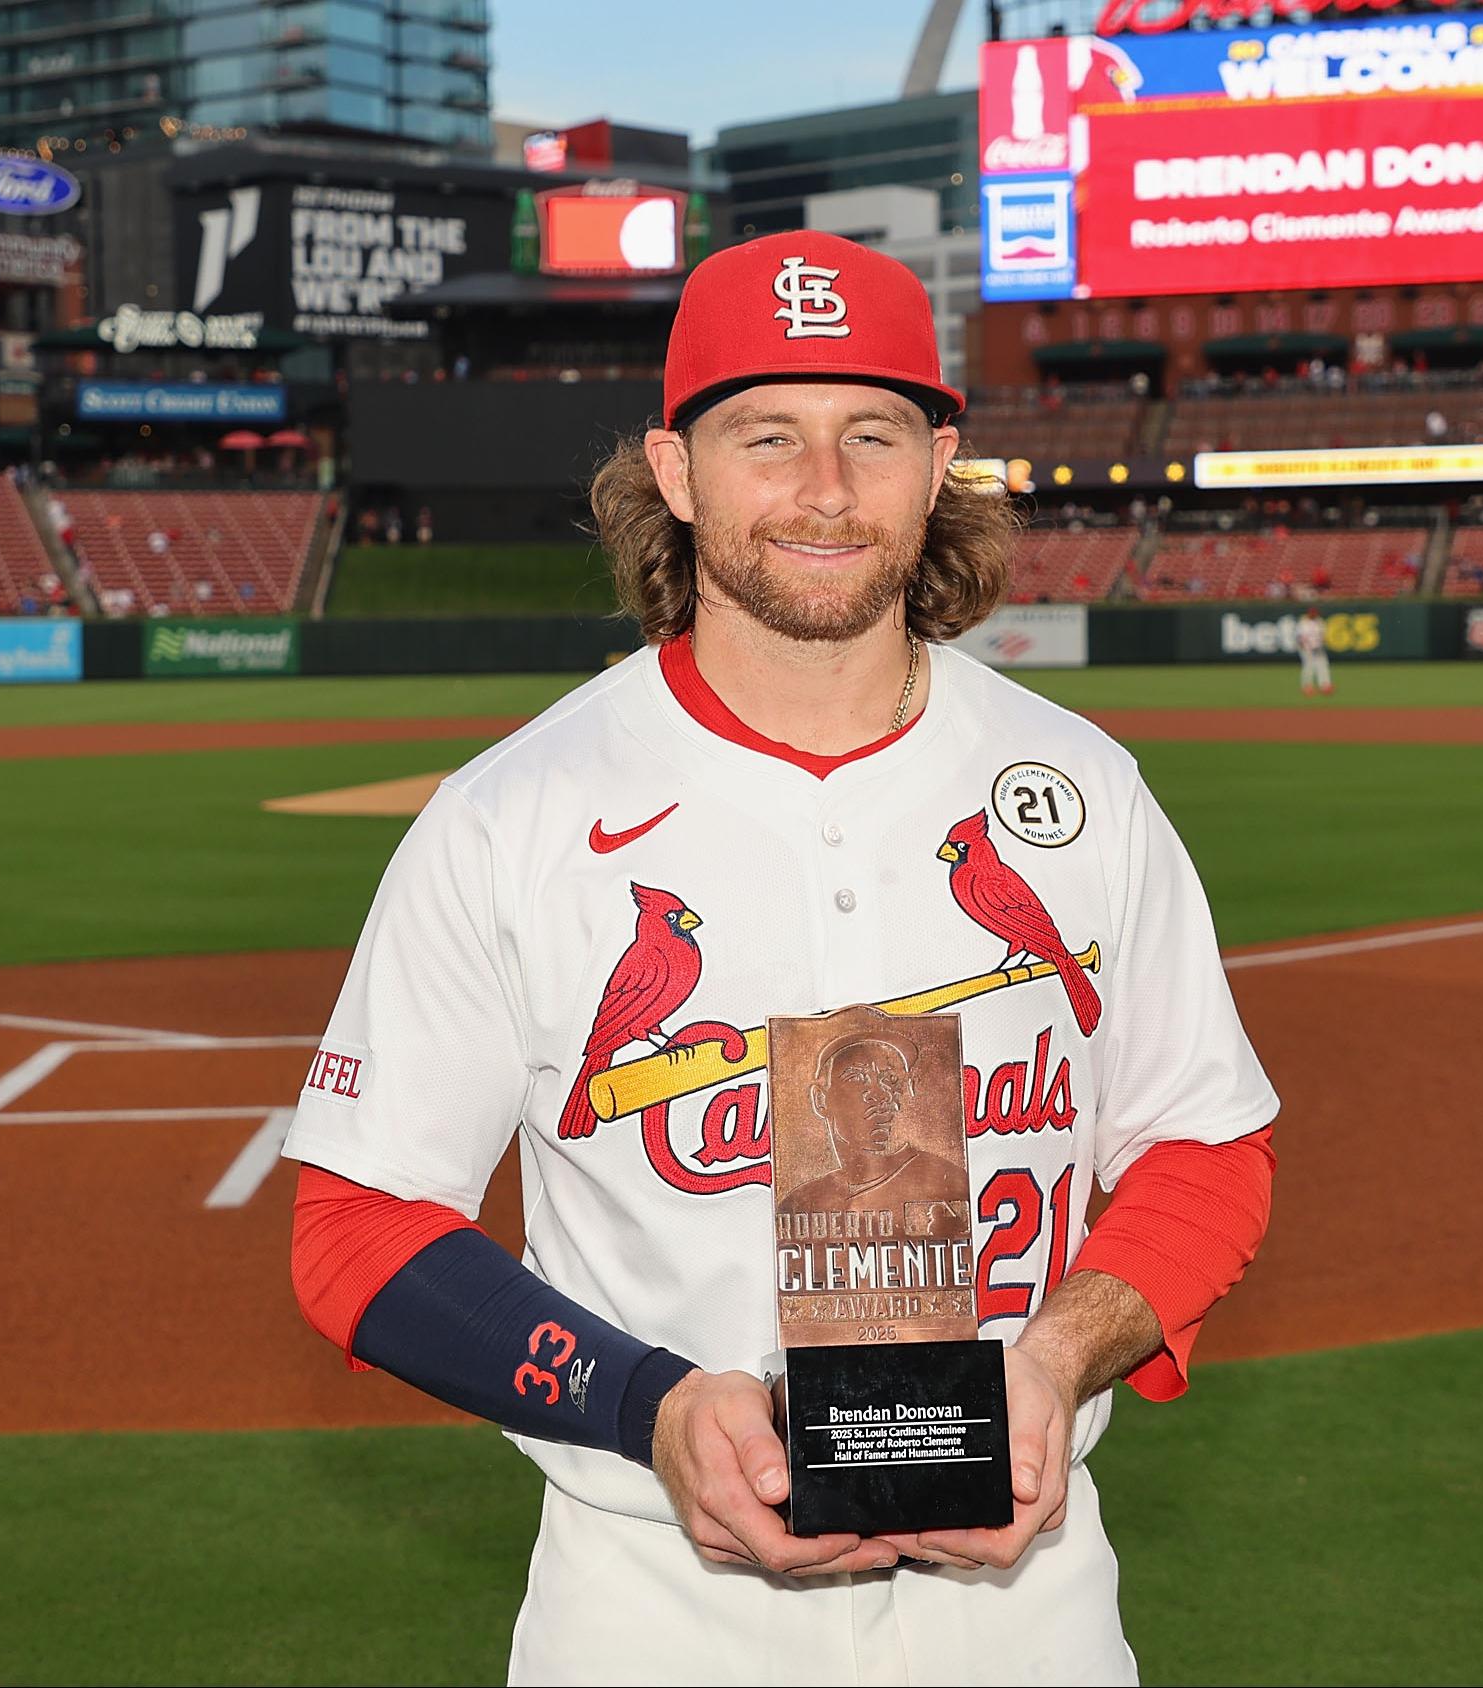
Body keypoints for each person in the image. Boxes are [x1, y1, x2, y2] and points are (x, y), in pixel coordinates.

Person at [283, 230, 1279, 1685]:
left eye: (870, 434)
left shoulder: (1083, 789)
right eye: (768, 436)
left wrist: (1058, 1359)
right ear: (676, 473)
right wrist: (657, 1410)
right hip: (648, 1619)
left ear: (940, 462)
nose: (824, 490)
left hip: (1030, 1622)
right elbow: (359, 1229)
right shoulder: (513, 818)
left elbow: (1205, 1146)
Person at [780, 1036, 965, 1214]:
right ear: (820, 1099)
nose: (879, 1094)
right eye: (857, 1078)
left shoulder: (948, 1183)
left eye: (890, 1079)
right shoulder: (801, 1203)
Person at [1297, 597, 1333, 698]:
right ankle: (1306, 686)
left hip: (1318, 648)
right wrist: (1307, 648)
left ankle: (1325, 685)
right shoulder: (1303, 623)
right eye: (1312, 613)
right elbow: (1300, 638)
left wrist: (1320, 645)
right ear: (1308, 613)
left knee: (1323, 665)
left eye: (1315, 613)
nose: (1313, 614)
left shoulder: (1319, 622)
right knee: (1309, 666)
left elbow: (1322, 636)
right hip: (1307, 649)